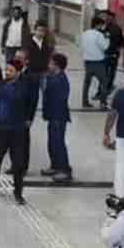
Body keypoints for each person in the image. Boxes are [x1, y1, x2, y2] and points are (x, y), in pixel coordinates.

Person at [0, 60, 38, 204]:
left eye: (10, 70)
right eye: (6, 70)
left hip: (17, 130)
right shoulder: (3, 84)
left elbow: (31, 102)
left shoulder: (24, 86)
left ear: (18, 72)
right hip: (2, 128)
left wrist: (29, 118)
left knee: (18, 163)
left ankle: (18, 193)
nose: (7, 72)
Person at [41, 53, 73, 183]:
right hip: (52, 116)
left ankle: (65, 170)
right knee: (52, 143)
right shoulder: (53, 77)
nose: (48, 65)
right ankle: (55, 165)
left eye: (50, 63)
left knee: (58, 143)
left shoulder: (60, 80)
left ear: (56, 65)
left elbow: (59, 100)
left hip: (58, 117)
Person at [82, 16, 112, 109]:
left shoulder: (85, 33)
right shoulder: (99, 35)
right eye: (102, 25)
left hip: (87, 62)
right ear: (98, 25)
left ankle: (85, 102)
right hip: (98, 62)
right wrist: (107, 38)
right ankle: (103, 103)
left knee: (87, 83)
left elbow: (80, 46)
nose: (103, 27)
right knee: (104, 82)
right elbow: (105, 47)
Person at [102, 10, 124, 104]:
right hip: (105, 54)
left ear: (112, 18)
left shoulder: (117, 29)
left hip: (113, 55)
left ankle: (107, 89)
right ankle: (103, 91)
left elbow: (121, 41)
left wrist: (118, 50)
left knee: (111, 74)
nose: (106, 19)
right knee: (104, 74)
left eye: (108, 17)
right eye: (105, 17)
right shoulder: (104, 28)